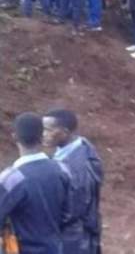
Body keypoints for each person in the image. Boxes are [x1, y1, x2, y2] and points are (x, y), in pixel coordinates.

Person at [0, 112, 72, 253]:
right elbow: (69, 214)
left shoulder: (11, 179)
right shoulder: (62, 170)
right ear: (42, 136)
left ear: (15, 137)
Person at [43, 109, 103, 254]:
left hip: (74, 242)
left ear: (64, 132)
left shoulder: (77, 167)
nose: (43, 134)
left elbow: (73, 212)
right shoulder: (79, 150)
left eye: (48, 130)